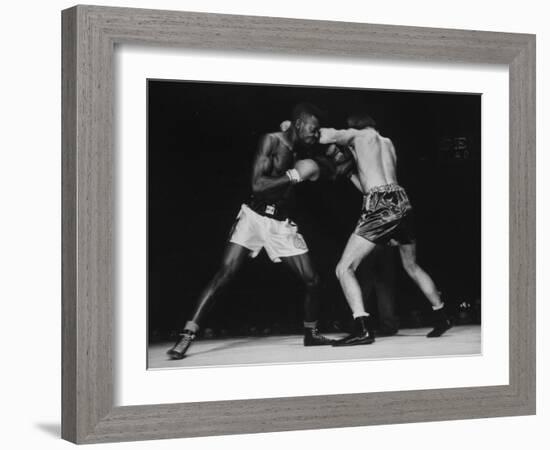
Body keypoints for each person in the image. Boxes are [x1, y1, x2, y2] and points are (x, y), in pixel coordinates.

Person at [167, 103, 336, 360]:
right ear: (299, 124)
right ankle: (186, 335)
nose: (315, 134)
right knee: (225, 274)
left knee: (313, 280)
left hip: (280, 224)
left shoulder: (301, 144)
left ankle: (310, 334)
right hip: (254, 217)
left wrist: (330, 150)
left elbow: (327, 150)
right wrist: (292, 176)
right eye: (312, 129)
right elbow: (258, 185)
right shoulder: (270, 141)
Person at [318, 112, 452, 346]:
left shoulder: (356, 135)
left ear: (354, 126)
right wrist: (350, 172)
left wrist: (292, 125)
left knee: (344, 268)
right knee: (411, 265)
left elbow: (322, 136)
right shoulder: (387, 143)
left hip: (381, 204)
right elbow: (372, 182)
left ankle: (362, 329)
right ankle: (442, 316)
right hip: (402, 200)